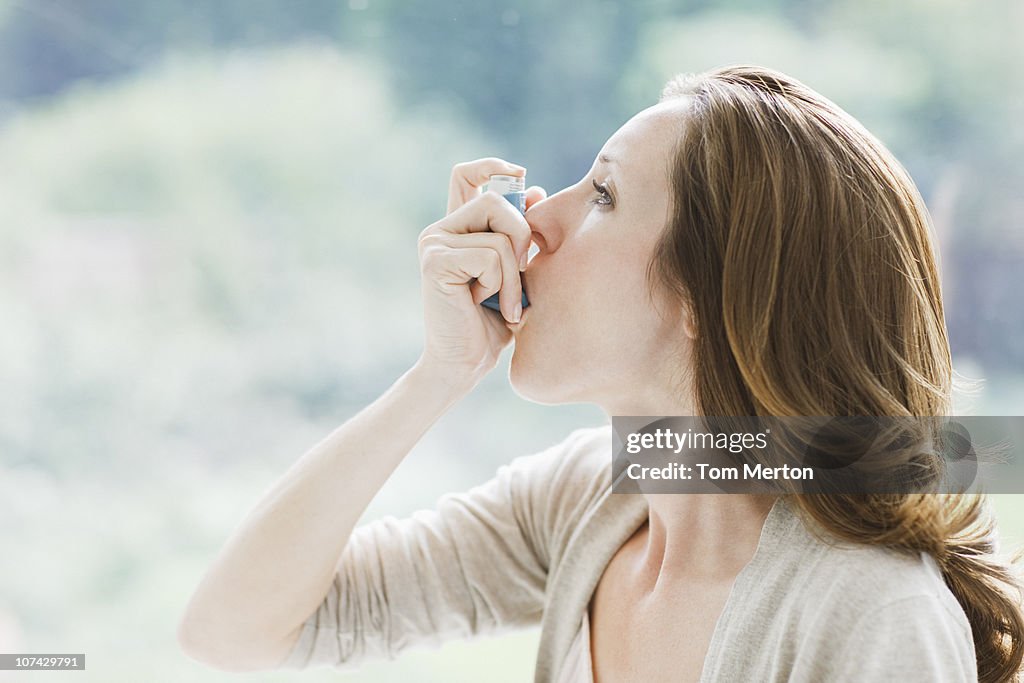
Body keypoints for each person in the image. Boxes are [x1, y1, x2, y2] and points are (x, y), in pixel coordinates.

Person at [177, 65, 1024, 682]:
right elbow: (233, 630)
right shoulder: (593, 498)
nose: (536, 218)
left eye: (605, 195)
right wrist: (439, 374)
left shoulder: (867, 614)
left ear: (710, 297)